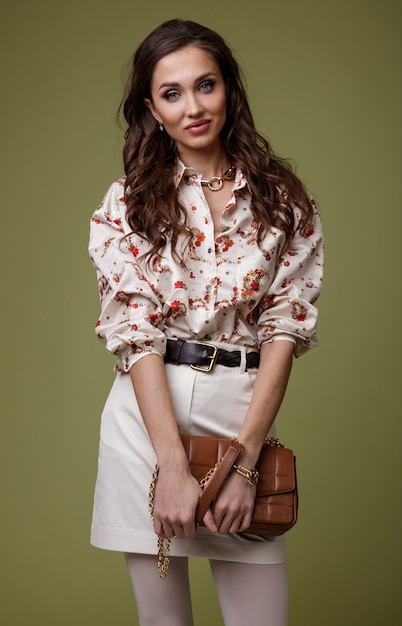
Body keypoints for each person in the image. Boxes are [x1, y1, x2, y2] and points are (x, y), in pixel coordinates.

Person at [89, 18, 323, 626]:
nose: (192, 107)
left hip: (240, 414)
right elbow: (135, 331)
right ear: (152, 108)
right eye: (172, 93)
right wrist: (169, 465)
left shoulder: (286, 202)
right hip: (147, 424)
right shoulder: (127, 203)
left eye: (206, 85)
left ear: (229, 90)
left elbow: (285, 329)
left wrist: (245, 464)